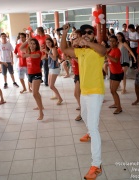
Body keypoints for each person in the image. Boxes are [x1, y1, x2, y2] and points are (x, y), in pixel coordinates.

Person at [60, 24, 106, 180]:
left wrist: (87, 42)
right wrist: (65, 33)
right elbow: (64, 49)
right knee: (85, 116)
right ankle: (89, 133)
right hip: (85, 92)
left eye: (89, 33)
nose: (86, 34)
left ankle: (96, 165)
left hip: (95, 92)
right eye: (83, 33)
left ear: (93, 35)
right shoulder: (81, 51)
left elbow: (103, 51)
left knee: (94, 128)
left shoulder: (98, 50)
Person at [20, 38, 44, 120]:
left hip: (37, 74)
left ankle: (41, 112)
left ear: (36, 45)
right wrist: (27, 40)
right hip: (29, 74)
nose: (32, 45)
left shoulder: (38, 52)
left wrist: (28, 55)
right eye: (31, 44)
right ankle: (40, 105)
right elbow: (20, 48)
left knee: (34, 93)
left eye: (34, 44)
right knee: (36, 93)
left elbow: (35, 56)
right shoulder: (27, 51)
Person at [106, 35, 123, 114]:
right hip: (112, 72)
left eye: (113, 41)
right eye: (110, 41)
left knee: (113, 91)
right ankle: (116, 104)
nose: (111, 42)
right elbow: (108, 59)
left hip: (118, 73)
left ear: (116, 42)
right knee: (111, 90)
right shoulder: (111, 50)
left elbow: (116, 61)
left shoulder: (117, 50)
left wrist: (107, 55)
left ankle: (119, 107)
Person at [44, 38, 63, 105]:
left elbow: (54, 58)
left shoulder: (54, 48)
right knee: (50, 84)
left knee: (51, 86)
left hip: (55, 68)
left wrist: (47, 53)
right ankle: (56, 95)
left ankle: (60, 99)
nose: (48, 44)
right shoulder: (50, 49)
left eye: (49, 42)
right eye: (46, 43)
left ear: (52, 42)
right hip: (51, 68)